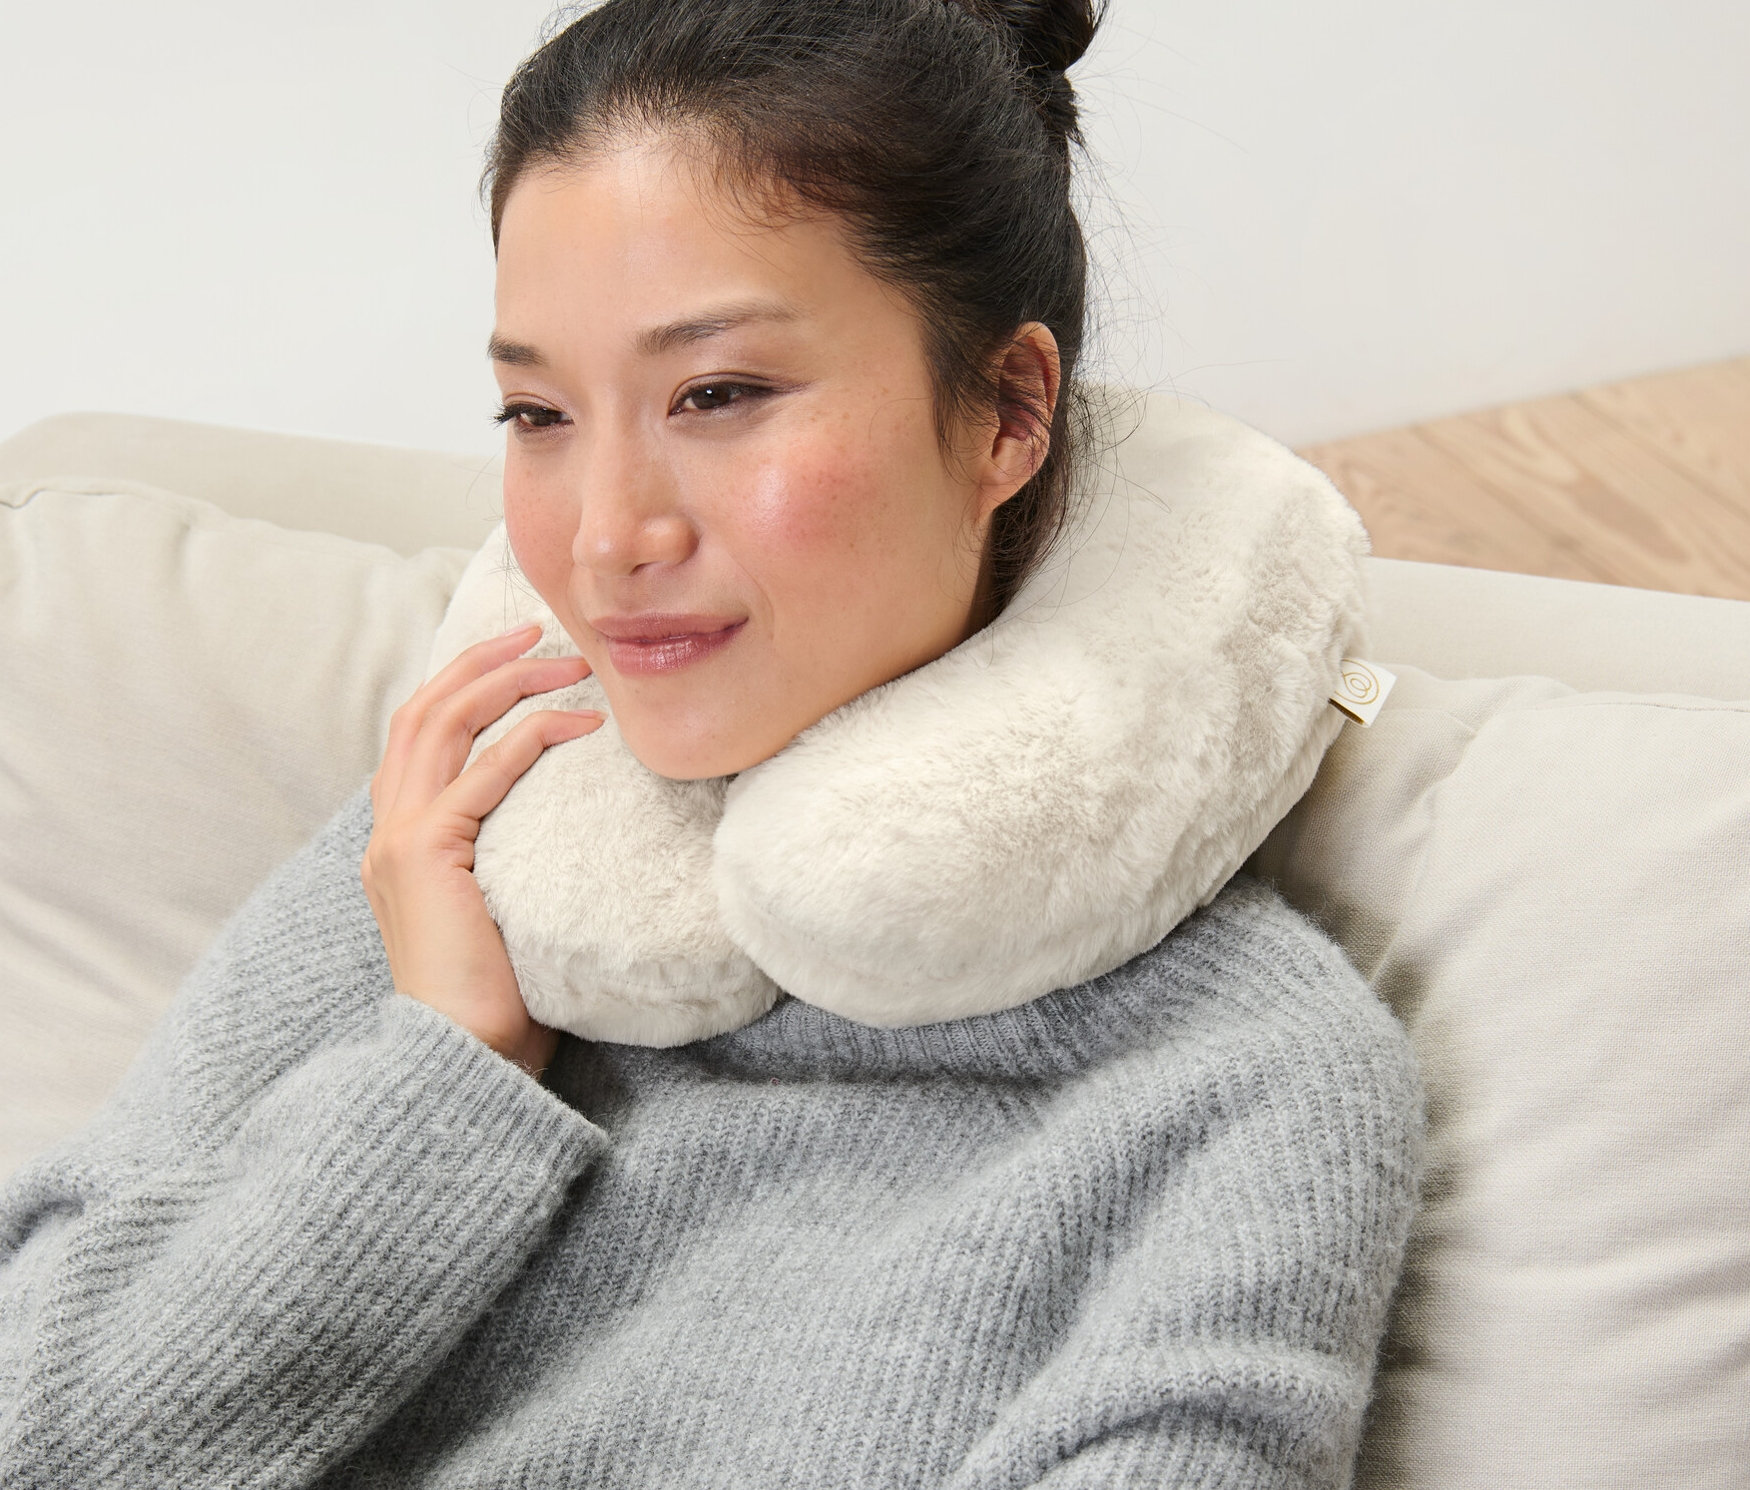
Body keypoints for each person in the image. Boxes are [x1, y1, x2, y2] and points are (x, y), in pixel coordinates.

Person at [0, 1, 1422, 1485]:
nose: (608, 535)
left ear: (1007, 411)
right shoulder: (453, 852)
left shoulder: (1246, 1088)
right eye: (536, 412)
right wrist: (444, 1062)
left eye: (719, 394)